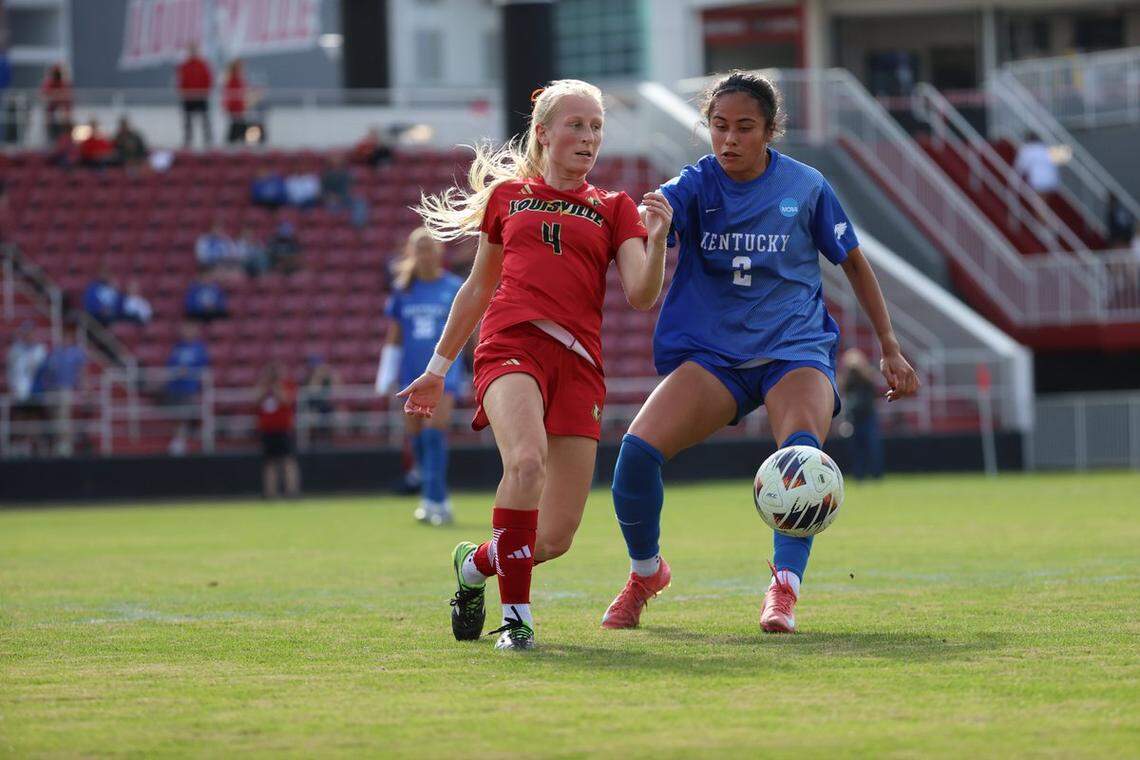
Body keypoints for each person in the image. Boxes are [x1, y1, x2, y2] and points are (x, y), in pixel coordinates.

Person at [599, 71, 920, 635]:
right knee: (635, 456)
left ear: (771, 130)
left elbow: (855, 263)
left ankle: (784, 589)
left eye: (744, 128)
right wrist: (653, 233)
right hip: (715, 357)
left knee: (801, 460)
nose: (728, 140)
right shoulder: (691, 188)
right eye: (719, 126)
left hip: (792, 349)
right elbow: (645, 271)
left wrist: (889, 346)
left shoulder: (807, 186)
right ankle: (645, 574)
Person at [399, 79, 670, 650]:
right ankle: (517, 622)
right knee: (525, 463)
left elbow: (642, 296)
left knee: (553, 538)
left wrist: (659, 238)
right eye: (576, 124)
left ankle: (473, 565)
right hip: (510, 343)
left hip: (578, 364)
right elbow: (477, 287)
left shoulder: (616, 207)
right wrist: (437, 366)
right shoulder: (507, 197)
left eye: (596, 127)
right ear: (543, 133)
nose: (589, 136)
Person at [375, 227, 465, 526]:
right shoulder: (403, 291)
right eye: (419, 247)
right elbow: (394, 337)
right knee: (416, 439)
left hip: (444, 374)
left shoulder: (454, 287)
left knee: (434, 432)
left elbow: (470, 331)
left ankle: (438, 501)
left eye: (429, 246)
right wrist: (385, 375)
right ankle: (430, 497)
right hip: (410, 374)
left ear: (439, 251)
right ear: (412, 253)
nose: (425, 253)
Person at [162, 321, 209, 455]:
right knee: (176, 413)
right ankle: (178, 439)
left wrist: (188, 372)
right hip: (175, 386)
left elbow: (203, 366)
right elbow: (170, 364)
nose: (187, 332)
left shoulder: (199, 348)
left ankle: (182, 440)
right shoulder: (177, 347)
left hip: (190, 386)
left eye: (190, 329)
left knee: (186, 412)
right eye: (185, 329)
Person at [255, 362, 301, 498]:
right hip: (267, 430)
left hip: (283, 429)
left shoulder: (287, 384)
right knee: (269, 463)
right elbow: (256, 401)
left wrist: (276, 387)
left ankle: (291, 492)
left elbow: (286, 401)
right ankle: (270, 493)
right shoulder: (262, 386)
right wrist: (266, 387)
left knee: (288, 461)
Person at [840, 348, 884, 480]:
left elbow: (873, 385)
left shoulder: (867, 377)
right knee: (856, 450)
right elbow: (842, 389)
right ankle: (859, 475)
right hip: (854, 419)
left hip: (868, 417)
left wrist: (861, 370)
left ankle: (876, 474)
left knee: (872, 447)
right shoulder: (848, 380)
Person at [6, 322, 49, 455]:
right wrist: (12, 387)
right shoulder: (15, 350)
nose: (28, 336)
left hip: (35, 391)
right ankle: (21, 445)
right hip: (20, 391)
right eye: (25, 333)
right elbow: (12, 371)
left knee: (34, 419)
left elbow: (39, 370)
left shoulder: (40, 350)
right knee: (20, 419)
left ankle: (37, 446)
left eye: (30, 333)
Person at [177, 42, 213, 148]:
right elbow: (181, 80)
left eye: (194, 49)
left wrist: (205, 91)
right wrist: (183, 92)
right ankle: (188, 140)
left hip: (201, 96)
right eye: (191, 50)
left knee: (205, 119)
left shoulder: (202, 64)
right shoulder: (184, 66)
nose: (193, 52)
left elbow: (208, 79)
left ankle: (208, 140)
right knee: (187, 121)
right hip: (188, 97)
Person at [40, 63, 72, 143]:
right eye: (56, 73)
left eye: (58, 73)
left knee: (64, 125)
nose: (57, 75)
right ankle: (52, 140)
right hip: (51, 111)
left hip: (63, 113)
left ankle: (64, 141)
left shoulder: (64, 83)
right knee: (51, 126)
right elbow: (44, 95)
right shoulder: (49, 83)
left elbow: (68, 96)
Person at [223, 59, 249, 144]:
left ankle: (235, 141)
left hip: (239, 106)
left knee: (238, 125)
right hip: (234, 106)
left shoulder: (238, 79)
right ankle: (233, 142)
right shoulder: (232, 80)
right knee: (237, 126)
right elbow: (231, 94)